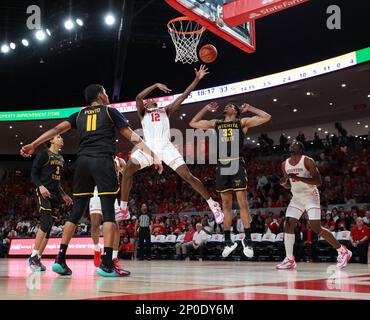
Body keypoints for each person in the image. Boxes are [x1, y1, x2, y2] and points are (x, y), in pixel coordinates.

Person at [20, 84, 162, 277]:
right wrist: (152, 154)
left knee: (76, 213)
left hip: (82, 163)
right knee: (109, 214)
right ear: (100, 95)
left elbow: (55, 129)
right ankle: (106, 264)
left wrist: (35, 144)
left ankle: (60, 259)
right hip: (102, 161)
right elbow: (132, 136)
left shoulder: (79, 115)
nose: (107, 95)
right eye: (105, 92)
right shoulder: (110, 112)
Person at [118, 65, 224, 225]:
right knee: (127, 171)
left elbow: (183, 97)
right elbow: (138, 97)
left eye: (153, 100)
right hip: (147, 148)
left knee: (188, 176)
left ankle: (213, 205)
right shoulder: (143, 113)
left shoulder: (165, 110)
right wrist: (155, 85)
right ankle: (124, 209)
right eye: (150, 101)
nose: (151, 100)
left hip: (166, 147)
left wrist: (196, 79)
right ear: (147, 106)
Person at [189, 101, 271, 259]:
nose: (227, 106)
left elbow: (267, 117)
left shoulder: (241, 122)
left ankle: (247, 240)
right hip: (222, 164)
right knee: (226, 205)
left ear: (236, 111)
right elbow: (193, 123)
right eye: (227, 105)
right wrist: (205, 109)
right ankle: (228, 241)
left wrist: (251, 108)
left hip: (237, 162)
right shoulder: (216, 123)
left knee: (242, 202)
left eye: (231, 105)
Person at [276, 142, 352, 270]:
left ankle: (343, 251)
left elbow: (318, 181)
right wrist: (284, 184)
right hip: (297, 198)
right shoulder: (285, 164)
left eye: (295, 145)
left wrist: (298, 177)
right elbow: (289, 184)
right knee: (288, 225)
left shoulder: (307, 161)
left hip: (311, 196)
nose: (292, 146)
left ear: (300, 149)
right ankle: (289, 259)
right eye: (291, 145)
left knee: (316, 228)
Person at [27, 135, 73, 271]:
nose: (61, 138)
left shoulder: (61, 158)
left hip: (55, 195)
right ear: (51, 140)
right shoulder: (43, 154)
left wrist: (64, 194)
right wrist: (40, 186)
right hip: (43, 193)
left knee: (48, 230)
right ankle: (33, 257)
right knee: (45, 223)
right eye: (58, 137)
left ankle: (38, 259)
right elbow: (34, 174)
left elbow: (57, 181)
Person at [89, 155, 127, 270]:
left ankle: (114, 258)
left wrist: (122, 171)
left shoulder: (119, 161)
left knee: (115, 226)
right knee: (95, 224)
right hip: (96, 191)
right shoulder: (95, 156)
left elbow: (127, 177)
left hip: (111, 193)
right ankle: (96, 249)